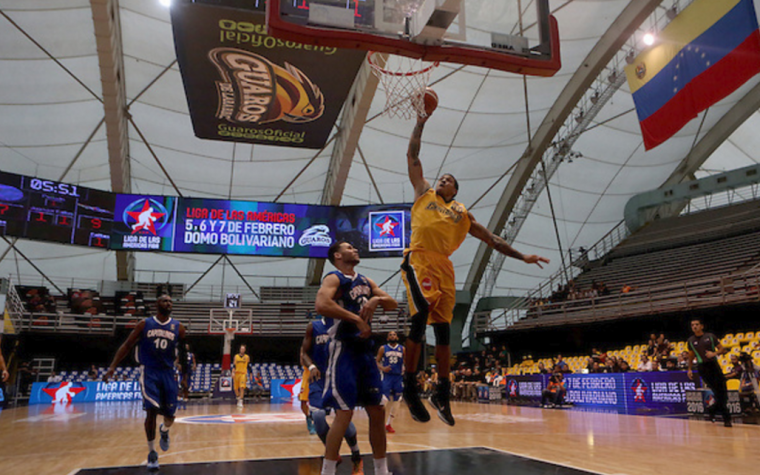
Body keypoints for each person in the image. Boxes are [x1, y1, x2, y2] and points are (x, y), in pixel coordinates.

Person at [401, 113, 550, 426]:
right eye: (442, 177)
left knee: (443, 332)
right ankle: (409, 387)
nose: (443, 180)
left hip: (445, 268)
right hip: (419, 259)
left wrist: (521, 256)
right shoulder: (423, 193)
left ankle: (442, 390)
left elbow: (492, 239)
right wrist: (421, 120)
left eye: (449, 180)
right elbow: (413, 154)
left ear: (455, 191)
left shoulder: (461, 213)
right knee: (418, 321)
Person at [317, 240, 398, 475]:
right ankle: (328, 471)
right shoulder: (333, 278)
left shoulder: (366, 281)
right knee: (344, 413)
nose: (354, 249)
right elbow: (321, 304)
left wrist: (376, 299)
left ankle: (382, 470)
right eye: (348, 247)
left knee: (377, 411)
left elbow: (392, 304)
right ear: (337, 256)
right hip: (343, 349)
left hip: (365, 352)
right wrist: (356, 319)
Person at [103, 294, 186, 471]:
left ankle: (164, 430)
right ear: (157, 305)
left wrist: (186, 377)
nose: (168, 303)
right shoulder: (144, 324)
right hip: (149, 371)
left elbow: (184, 356)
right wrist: (113, 367)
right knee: (151, 411)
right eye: (165, 300)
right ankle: (152, 452)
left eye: (171, 301)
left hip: (168, 373)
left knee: (170, 416)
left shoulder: (179, 328)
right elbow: (126, 345)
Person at [301, 316, 364, 474]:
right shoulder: (313, 327)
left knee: (343, 417)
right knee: (318, 418)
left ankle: (356, 455)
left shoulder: (344, 326)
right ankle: (334, 455)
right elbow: (303, 353)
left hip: (339, 376)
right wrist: (312, 365)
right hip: (318, 378)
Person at [687, 317, 731, 427]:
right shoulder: (690, 341)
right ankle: (726, 419)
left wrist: (714, 353)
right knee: (718, 392)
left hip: (714, 366)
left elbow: (722, 349)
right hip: (703, 368)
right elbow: (691, 356)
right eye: (692, 325)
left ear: (701, 326)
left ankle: (712, 409)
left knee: (723, 393)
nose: (694, 326)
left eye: (696, 324)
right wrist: (689, 369)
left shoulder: (710, 337)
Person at [376, 331, 405, 434]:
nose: (393, 336)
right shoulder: (383, 348)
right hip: (387, 377)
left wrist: (405, 369)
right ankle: (379, 423)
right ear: (388, 338)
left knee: (398, 400)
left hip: (398, 377)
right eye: (390, 335)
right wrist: (383, 368)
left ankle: (389, 424)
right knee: (384, 399)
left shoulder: (402, 349)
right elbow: (376, 362)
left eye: (394, 335)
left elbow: (407, 362)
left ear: (397, 337)